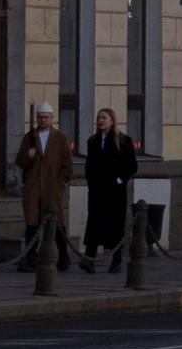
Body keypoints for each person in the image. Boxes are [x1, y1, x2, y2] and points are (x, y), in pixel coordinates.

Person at [15, 101, 75, 272]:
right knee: (32, 223)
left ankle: (63, 256)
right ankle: (31, 257)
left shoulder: (60, 138)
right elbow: (20, 161)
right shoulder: (29, 137)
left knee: (57, 224)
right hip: (34, 187)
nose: (42, 120)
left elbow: (67, 166)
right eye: (40, 117)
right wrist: (29, 156)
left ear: (51, 118)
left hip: (52, 187)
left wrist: (59, 182)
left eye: (46, 117)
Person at [80, 107, 140, 274]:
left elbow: (132, 166)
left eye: (104, 118)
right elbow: (89, 166)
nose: (101, 121)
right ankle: (89, 259)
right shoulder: (92, 140)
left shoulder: (123, 141)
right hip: (97, 191)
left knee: (116, 226)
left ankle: (116, 261)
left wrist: (120, 179)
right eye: (99, 118)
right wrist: (91, 182)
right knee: (94, 224)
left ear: (112, 121)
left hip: (115, 192)